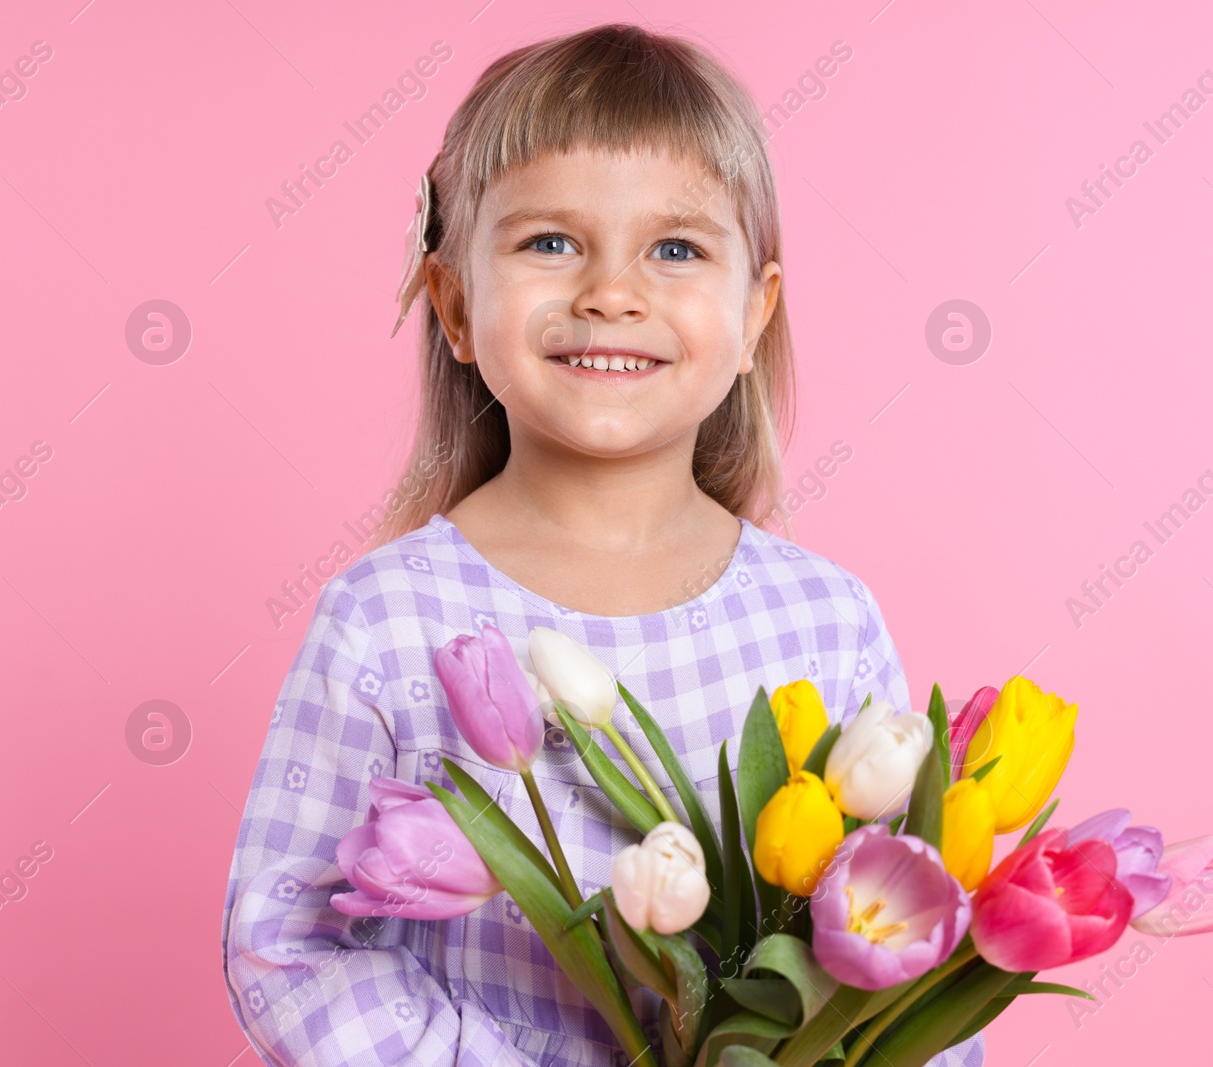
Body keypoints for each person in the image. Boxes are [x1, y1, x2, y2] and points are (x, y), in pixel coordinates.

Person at [220, 22, 986, 1067]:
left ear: (754, 312)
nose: (610, 292)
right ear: (452, 302)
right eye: (550, 242)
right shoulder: (386, 616)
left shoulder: (824, 615)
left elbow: (901, 919)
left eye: (674, 249)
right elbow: (287, 939)